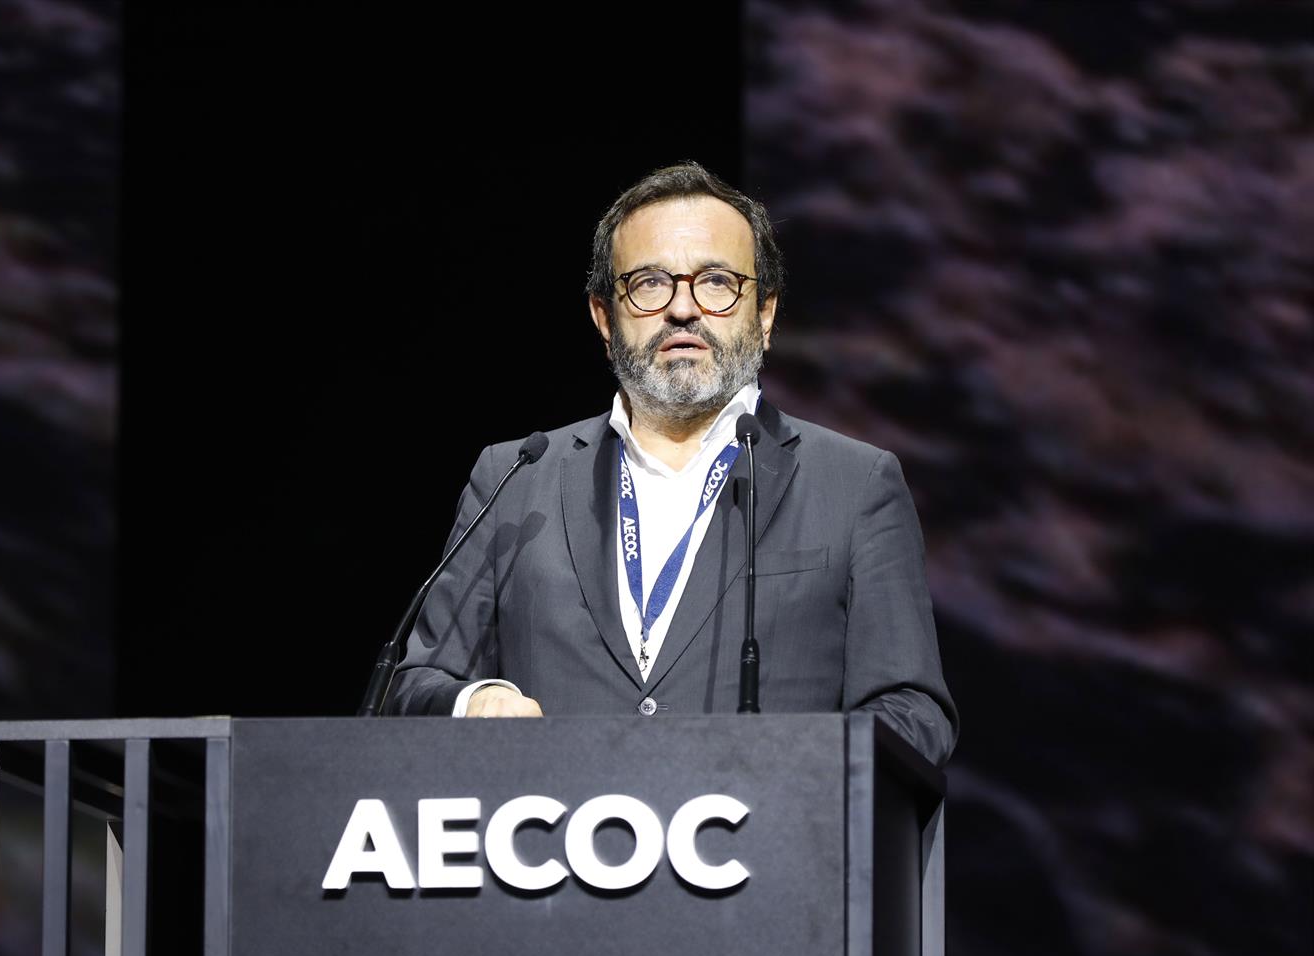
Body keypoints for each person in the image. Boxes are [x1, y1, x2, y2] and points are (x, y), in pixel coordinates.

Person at [389, 162, 957, 767]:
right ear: (604, 317)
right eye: (649, 283)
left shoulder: (855, 484)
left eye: (716, 282)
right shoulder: (517, 478)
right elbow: (414, 686)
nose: (682, 308)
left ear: (765, 313)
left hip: (764, 823)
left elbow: (912, 715)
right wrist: (475, 702)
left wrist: (793, 768)